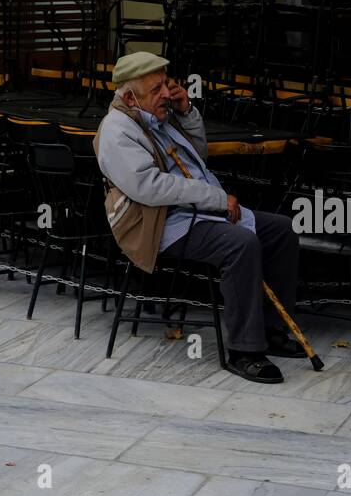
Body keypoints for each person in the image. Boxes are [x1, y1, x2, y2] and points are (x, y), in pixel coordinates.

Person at [94, 51, 302, 383]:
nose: (166, 93)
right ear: (131, 96)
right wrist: (217, 198)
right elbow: (150, 188)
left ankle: (271, 330)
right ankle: (245, 351)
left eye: (166, 84)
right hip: (157, 225)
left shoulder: (155, 115)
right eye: (156, 89)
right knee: (241, 244)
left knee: (281, 231)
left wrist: (186, 111)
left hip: (194, 213)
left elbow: (197, 159)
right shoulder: (117, 130)